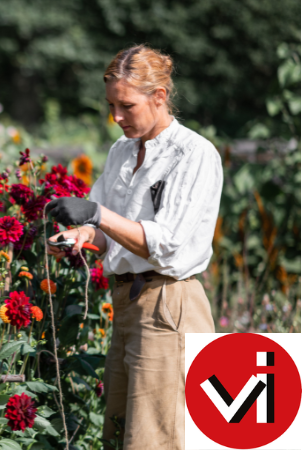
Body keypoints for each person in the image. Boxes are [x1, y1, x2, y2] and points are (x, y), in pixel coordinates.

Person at [44, 45, 223, 450]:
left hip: (168, 303)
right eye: (111, 105)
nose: (116, 117)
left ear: (159, 96)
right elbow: (109, 233)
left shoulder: (193, 154)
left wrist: (95, 214)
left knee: (159, 439)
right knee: (124, 433)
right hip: (128, 303)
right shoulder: (121, 151)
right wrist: (80, 238)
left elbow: (166, 244)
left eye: (126, 105)